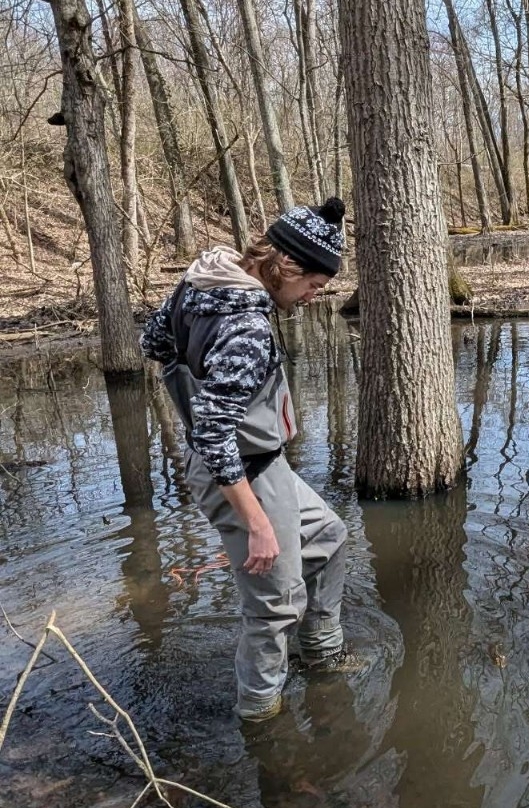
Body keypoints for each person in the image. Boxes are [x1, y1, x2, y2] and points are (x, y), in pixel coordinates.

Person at [141, 197, 364, 721]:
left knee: (328, 535)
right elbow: (214, 434)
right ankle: (262, 724)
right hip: (239, 473)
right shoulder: (248, 329)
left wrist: (194, 380)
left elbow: (154, 340)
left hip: (258, 462)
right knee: (273, 608)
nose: (313, 296)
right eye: (313, 284)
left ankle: (322, 653)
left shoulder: (204, 280)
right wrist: (257, 523)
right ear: (285, 264)